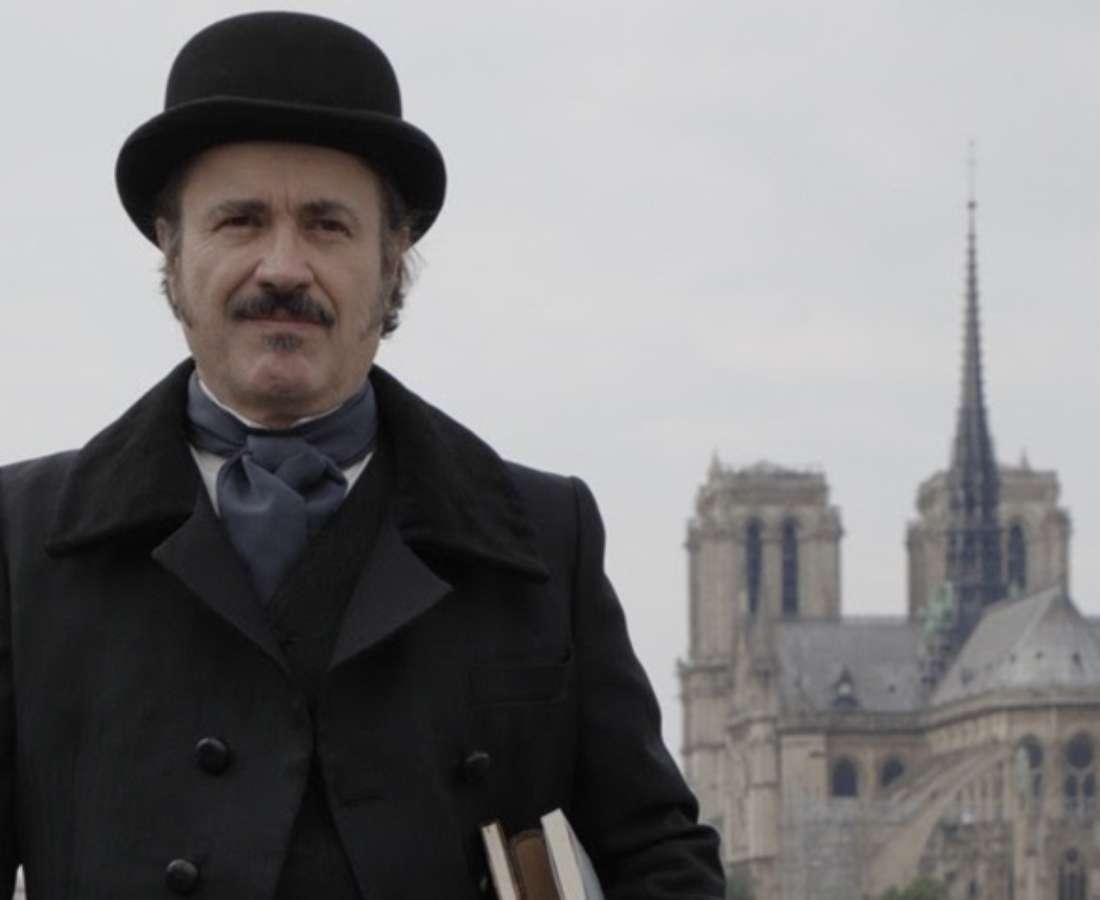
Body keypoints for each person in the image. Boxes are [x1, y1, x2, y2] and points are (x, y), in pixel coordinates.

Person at [0, 12, 723, 899]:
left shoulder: (545, 537)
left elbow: (660, 860)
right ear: (173, 250)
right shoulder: (19, 539)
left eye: (327, 226)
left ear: (392, 260)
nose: (283, 267)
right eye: (239, 220)